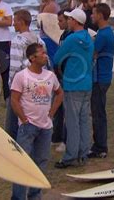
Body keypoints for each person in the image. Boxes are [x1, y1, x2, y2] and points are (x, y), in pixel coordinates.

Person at [10, 43, 64, 200]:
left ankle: (35, 196)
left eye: (45, 53)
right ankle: (18, 197)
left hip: (46, 127)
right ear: (32, 58)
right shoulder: (21, 76)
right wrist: (24, 119)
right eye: (42, 53)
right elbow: (14, 100)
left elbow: (60, 93)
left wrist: (52, 113)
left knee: (41, 162)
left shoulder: (50, 76)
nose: (45, 55)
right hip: (28, 127)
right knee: (22, 163)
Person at [53, 8, 94, 168]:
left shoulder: (71, 39)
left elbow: (57, 58)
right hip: (86, 83)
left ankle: (70, 156)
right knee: (83, 120)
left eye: (69, 19)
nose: (67, 21)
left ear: (75, 21)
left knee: (72, 121)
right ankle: (83, 153)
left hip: (72, 83)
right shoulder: (89, 38)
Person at [6, 9, 46, 140]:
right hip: (36, 82)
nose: (12, 24)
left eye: (15, 21)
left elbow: (15, 66)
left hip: (21, 84)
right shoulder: (38, 40)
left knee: (13, 120)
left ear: (22, 22)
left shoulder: (18, 40)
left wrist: (11, 85)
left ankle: (14, 146)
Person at [88, 3, 114, 159]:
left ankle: (100, 147)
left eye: (93, 13)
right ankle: (100, 145)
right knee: (99, 112)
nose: (91, 16)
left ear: (100, 15)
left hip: (100, 79)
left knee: (98, 113)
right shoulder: (105, 32)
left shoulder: (103, 34)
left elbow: (92, 54)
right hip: (103, 77)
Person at [52, 9, 73, 153]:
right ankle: (57, 137)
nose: (58, 23)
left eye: (61, 21)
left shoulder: (71, 36)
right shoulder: (64, 35)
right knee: (58, 107)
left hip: (66, 76)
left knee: (67, 109)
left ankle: (66, 140)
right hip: (59, 75)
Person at [38, 0, 60, 67]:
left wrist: (41, 7)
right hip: (53, 36)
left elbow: (40, 22)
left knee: (49, 59)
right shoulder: (56, 5)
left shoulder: (49, 6)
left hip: (47, 37)